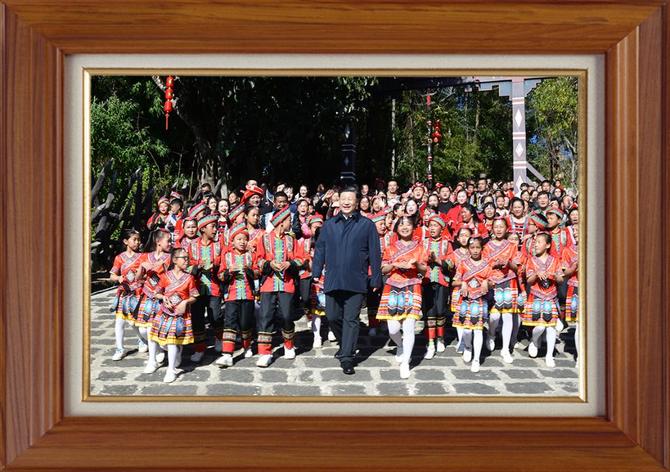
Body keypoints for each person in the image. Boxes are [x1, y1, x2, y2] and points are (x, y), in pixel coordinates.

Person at [312, 187, 382, 375]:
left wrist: (376, 278)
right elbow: (320, 249)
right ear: (338, 201)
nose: (346, 202)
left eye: (350, 198)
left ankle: (347, 357)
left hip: (356, 279)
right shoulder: (329, 224)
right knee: (332, 316)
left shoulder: (367, 225)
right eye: (343, 198)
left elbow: (375, 253)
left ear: (357, 202)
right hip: (333, 279)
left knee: (351, 319)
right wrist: (316, 271)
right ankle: (346, 345)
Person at [377, 216, 428, 379]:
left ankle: (406, 361)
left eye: (408, 224)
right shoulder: (390, 248)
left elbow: (424, 270)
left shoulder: (420, 248)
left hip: (412, 286)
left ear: (414, 228)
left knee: (409, 326)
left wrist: (416, 264)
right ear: (397, 229)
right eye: (401, 224)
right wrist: (394, 265)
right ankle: (399, 344)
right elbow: (383, 269)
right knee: (393, 328)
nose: (405, 227)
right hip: (393, 287)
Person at [255, 207, 305, 367]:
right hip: (268, 284)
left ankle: (289, 345)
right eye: (289, 220)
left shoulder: (291, 240)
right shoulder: (264, 239)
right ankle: (265, 352)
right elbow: (258, 260)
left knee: (286, 316)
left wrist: (289, 264)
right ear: (281, 223)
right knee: (265, 317)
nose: (291, 223)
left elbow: (301, 258)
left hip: (287, 283)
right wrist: (269, 264)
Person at [146, 247, 199, 383]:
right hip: (164, 312)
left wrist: (186, 302)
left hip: (180, 315)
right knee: (157, 339)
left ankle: (171, 370)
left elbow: (194, 296)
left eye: (187, 258)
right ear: (175, 260)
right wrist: (163, 298)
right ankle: (154, 360)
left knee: (171, 341)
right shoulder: (165, 276)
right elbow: (156, 293)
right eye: (184, 258)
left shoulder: (189, 278)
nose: (187, 261)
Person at [215, 223, 258, 367]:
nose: (242, 242)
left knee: (246, 323)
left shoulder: (251, 255)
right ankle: (227, 354)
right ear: (232, 241)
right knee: (230, 323)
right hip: (231, 295)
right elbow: (220, 275)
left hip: (248, 294)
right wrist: (229, 271)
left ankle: (247, 346)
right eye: (239, 239)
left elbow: (257, 273)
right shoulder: (227, 256)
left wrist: (249, 270)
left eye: (244, 239)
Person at [522, 232, 564, 367]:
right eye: (535, 242)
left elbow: (561, 280)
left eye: (539, 242)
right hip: (536, 296)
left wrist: (554, 276)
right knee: (539, 326)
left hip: (550, 296)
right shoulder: (531, 260)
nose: (536, 245)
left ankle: (549, 355)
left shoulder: (555, 260)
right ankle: (534, 341)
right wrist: (536, 274)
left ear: (547, 245)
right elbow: (529, 281)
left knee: (551, 327)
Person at [452, 236, 492, 373]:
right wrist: (463, 282)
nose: (475, 250)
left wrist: (486, 282)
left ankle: (476, 359)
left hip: (480, 300)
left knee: (478, 329)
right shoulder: (463, 263)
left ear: (482, 249)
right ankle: (468, 346)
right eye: (472, 247)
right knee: (467, 330)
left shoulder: (487, 264)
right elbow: (454, 281)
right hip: (466, 300)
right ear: (468, 249)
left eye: (478, 247)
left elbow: (492, 282)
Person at [483, 218, 520, 364]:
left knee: (508, 316)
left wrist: (508, 263)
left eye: (501, 227)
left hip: (509, 281)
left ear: (506, 229)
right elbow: (484, 266)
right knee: (494, 316)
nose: (498, 229)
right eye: (496, 227)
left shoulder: (512, 246)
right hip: (493, 283)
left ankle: (505, 348)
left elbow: (517, 267)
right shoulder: (487, 247)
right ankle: (491, 334)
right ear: (492, 229)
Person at [188, 214, 223, 363]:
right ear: (203, 229)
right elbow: (186, 266)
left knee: (216, 316)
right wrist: (197, 266)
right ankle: (200, 348)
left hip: (213, 288)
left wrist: (216, 266)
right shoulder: (192, 246)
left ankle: (219, 338)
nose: (215, 230)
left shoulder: (218, 245)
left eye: (216, 226)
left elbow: (223, 264)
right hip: (196, 289)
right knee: (197, 319)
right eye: (212, 227)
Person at [109, 229, 145, 361]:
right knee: (120, 321)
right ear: (125, 241)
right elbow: (112, 275)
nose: (137, 242)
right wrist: (118, 278)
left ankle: (142, 340)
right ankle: (120, 348)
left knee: (134, 322)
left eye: (138, 239)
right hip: (124, 294)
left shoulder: (143, 257)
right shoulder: (119, 258)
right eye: (134, 239)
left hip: (138, 293)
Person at [135, 229, 172, 355]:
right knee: (143, 329)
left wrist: (153, 266)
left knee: (159, 326)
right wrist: (141, 267)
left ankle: (163, 349)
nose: (170, 243)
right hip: (147, 295)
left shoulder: (170, 257)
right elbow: (138, 278)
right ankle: (158, 349)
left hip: (162, 295)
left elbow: (164, 271)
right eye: (168, 240)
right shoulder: (145, 256)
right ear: (158, 241)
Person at [421, 215, 453, 359]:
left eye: (435, 226)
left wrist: (437, 260)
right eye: (430, 226)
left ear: (441, 228)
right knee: (429, 312)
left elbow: (451, 263)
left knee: (440, 311)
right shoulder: (423, 243)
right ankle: (430, 342)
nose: (432, 228)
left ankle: (440, 338)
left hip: (442, 281)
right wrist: (426, 260)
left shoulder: (447, 244)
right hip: (427, 281)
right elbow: (419, 259)